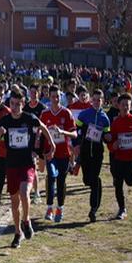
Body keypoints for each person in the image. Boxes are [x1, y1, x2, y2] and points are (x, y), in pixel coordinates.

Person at [0, 90, 55, 248]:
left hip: (27, 163)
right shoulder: (4, 121)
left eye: (17, 104)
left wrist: (52, 144)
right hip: (11, 165)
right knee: (14, 203)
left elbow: (43, 127)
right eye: (12, 104)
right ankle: (17, 232)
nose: (14, 107)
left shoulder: (29, 118)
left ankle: (26, 221)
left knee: (24, 192)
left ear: (22, 104)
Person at [39, 86, 77, 222]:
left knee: (61, 181)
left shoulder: (66, 113)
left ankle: (60, 208)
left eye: (57, 96)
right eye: (53, 96)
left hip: (64, 154)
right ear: (49, 97)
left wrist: (62, 132)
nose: (55, 99)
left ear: (60, 97)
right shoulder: (45, 114)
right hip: (51, 153)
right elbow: (40, 132)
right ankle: (49, 207)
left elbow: (74, 133)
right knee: (51, 177)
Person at [74, 89, 111, 223]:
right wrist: (77, 144)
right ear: (91, 100)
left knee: (94, 179)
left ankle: (93, 209)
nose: (96, 102)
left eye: (99, 100)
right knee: (87, 180)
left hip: (97, 153)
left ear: (102, 101)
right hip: (85, 151)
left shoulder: (105, 119)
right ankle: (96, 184)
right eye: (94, 99)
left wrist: (108, 138)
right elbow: (76, 131)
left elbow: (107, 137)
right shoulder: (84, 115)